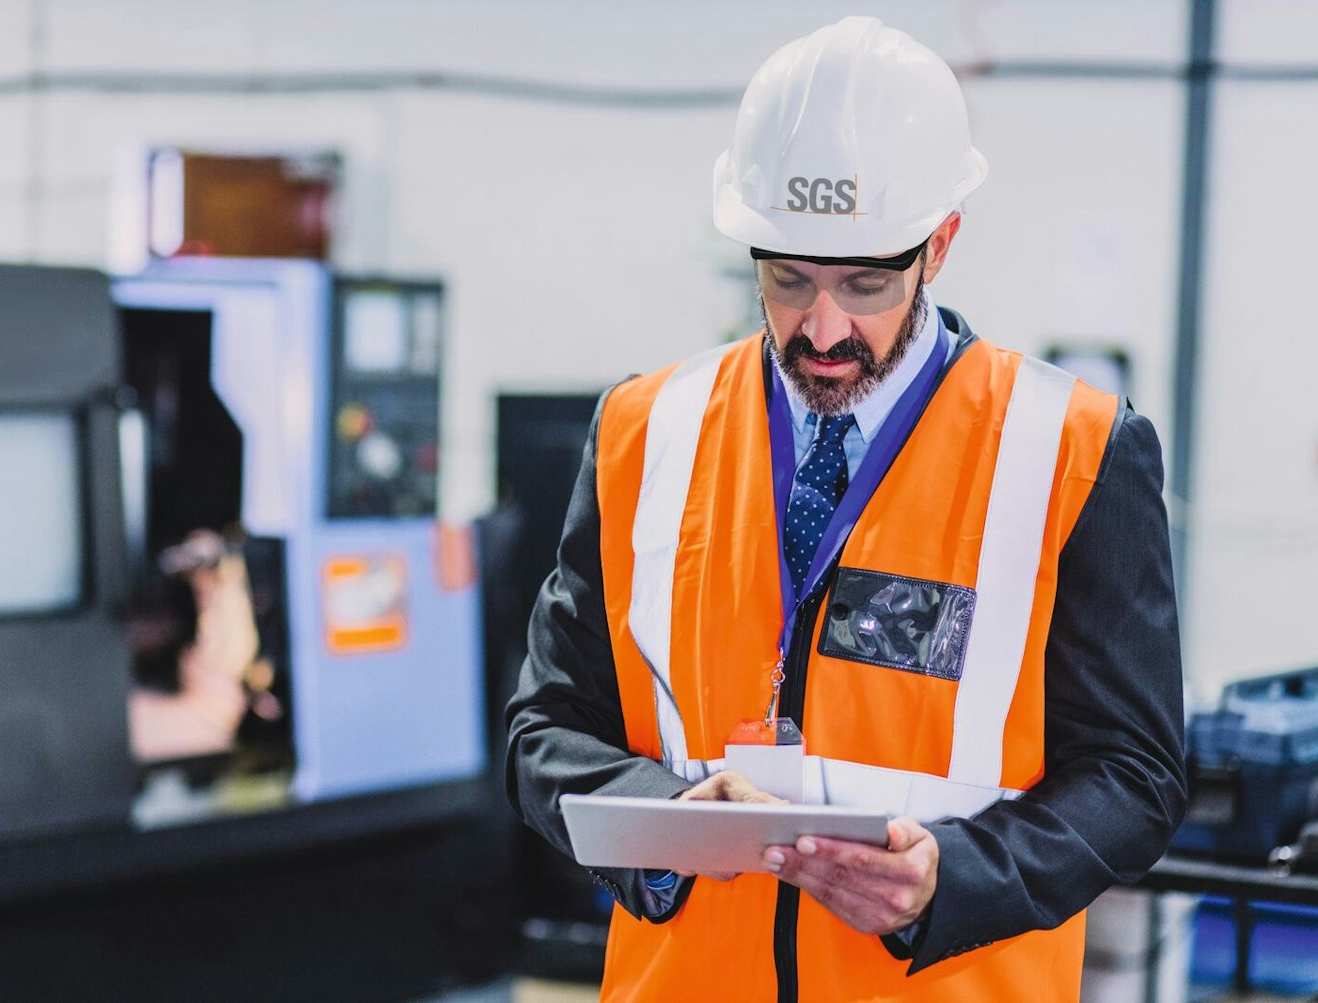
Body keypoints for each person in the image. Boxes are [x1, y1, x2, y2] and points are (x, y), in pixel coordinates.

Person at [505, 16, 1186, 1002]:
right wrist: (667, 822)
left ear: (938, 245)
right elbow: (545, 727)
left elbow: (1134, 774)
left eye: (865, 283)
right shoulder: (642, 431)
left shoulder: (1072, 451)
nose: (822, 328)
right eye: (788, 280)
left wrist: (953, 882)